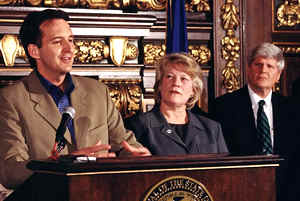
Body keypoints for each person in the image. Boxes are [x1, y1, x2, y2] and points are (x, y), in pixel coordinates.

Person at [0, 9, 150, 190]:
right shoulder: (11, 99)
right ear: (34, 51)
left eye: (70, 40)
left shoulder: (97, 92)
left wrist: (136, 157)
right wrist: (63, 165)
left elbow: (123, 144)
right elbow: (11, 171)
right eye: (58, 42)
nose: (69, 48)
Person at [124, 53, 228, 155]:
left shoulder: (212, 129)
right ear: (159, 85)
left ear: (193, 90)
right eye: (169, 76)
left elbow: (224, 170)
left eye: (183, 78)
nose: (176, 83)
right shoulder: (138, 125)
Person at [209, 42, 287, 156]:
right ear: (249, 69)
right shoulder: (223, 106)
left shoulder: (291, 108)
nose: (263, 70)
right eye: (258, 64)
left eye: (269, 66)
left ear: (278, 75)